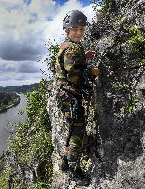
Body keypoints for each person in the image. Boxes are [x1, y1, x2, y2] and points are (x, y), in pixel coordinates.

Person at [55, 9, 100, 178]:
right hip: (70, 96)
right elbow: (73, 75)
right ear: (67, 30)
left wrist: (84, 55)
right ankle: (74, 170)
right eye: (75, 29)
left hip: (67, 96)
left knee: (73, 129)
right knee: (77, 132)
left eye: (81, 29)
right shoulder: (71, 49)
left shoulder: (70, 46)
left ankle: (65, 163)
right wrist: (91, 72)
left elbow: (73, 63)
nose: (79, 32)